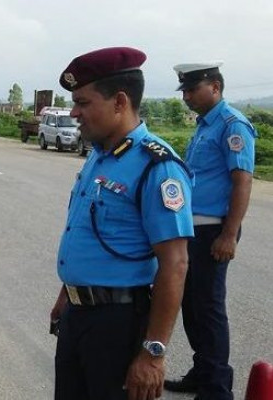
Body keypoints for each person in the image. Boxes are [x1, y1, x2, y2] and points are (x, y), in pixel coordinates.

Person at [50, 47, 194, 400]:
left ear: (119, 102)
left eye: (83, 103)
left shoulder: (157, 166)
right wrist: (67, 293)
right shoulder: (99, 156)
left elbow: (175, 264)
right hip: (77, 315)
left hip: (118, 323)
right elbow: (88, 236)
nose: (74, 113)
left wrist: (153, 353)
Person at [164, 62, 256, 399]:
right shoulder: (205, 125)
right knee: (191, 305)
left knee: (208, 308)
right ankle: (203, 372)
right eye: (184, 91)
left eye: (192, 90)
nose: (186, 97)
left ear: (215, 87)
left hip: (214, 231)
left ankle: (216, 388)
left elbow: (242, 181)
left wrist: (229, 235)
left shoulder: (233, 125)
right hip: (193, 229)